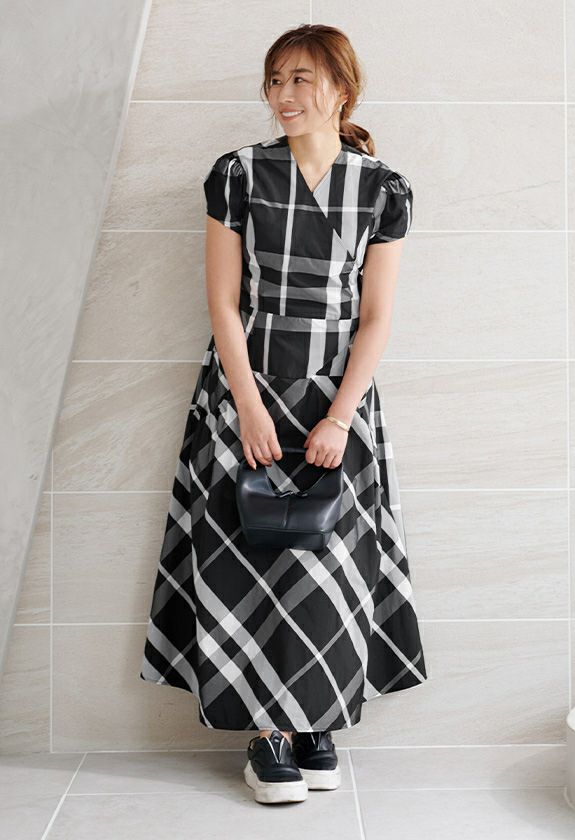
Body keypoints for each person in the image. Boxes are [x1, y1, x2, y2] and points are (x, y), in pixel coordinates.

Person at [139, 23, 428, 806]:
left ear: (342, 88)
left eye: (300, 79)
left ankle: (316, 724)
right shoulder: (237, 174)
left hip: (338, 396)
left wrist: (338, 417)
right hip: (246, 388)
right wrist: (247, 406)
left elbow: (376, 318)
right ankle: (266, 731)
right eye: (274, 80)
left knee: (332, 560)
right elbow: (223, 304)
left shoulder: (383, 189)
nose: (282, 95)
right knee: (247, 554)